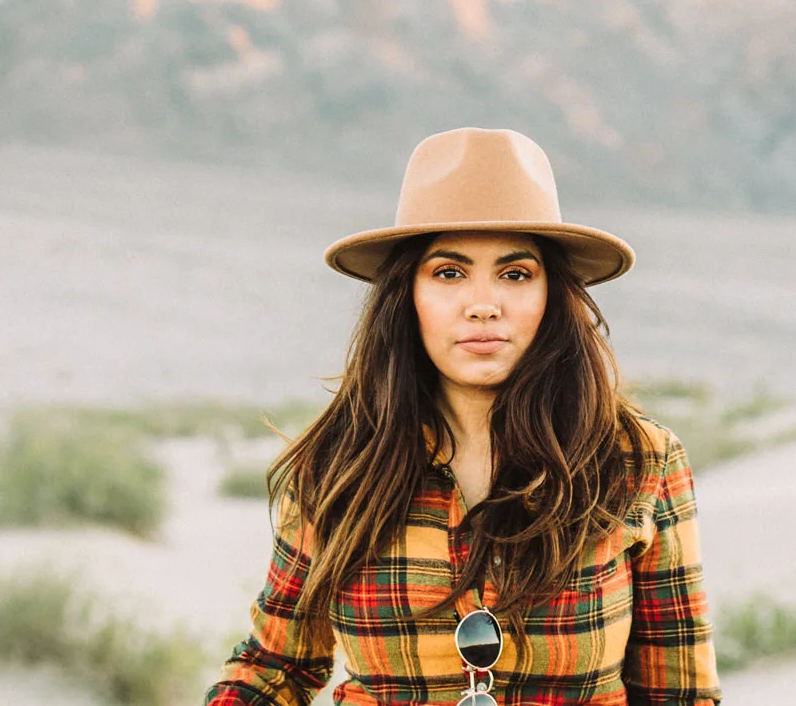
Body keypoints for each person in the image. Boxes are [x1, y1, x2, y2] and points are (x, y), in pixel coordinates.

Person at [205, 127, 720, 706]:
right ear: (408, 294)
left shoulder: (638, 458)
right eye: (449, 273)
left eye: (516, 273)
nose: (483, 303)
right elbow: (275, 668)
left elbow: (678, 693)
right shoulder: (337, 465)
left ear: (554, 295)